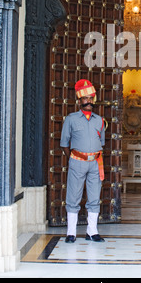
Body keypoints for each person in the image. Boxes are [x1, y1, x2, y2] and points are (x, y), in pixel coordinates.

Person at [60, 79, 106, 243]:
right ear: (79, 100)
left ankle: (92, 231)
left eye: (91, 98)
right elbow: (64, 144)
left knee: (94, 197)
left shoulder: (99, 120)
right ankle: (71, 233)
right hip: (77, 161)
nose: (89, 101)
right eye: (85, 98)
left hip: (95, 163)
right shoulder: (71, 119)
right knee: (73, 196)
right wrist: (74, 158)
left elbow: (102, 143)